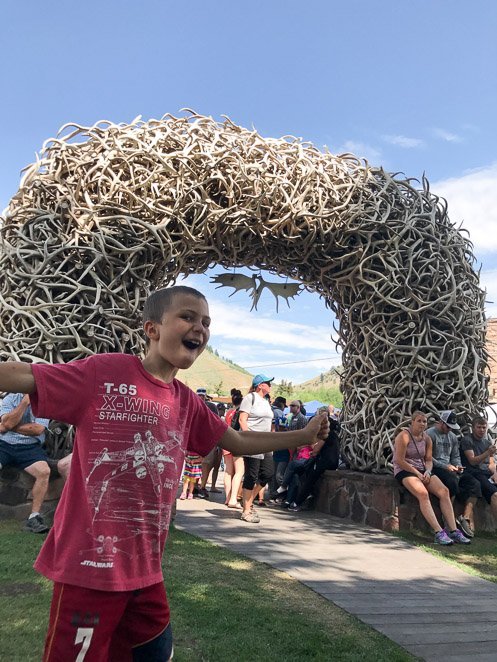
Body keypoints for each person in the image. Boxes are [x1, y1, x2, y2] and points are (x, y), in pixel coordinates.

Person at [0, 285, 326, 660]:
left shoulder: (187, 402)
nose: (200, 329)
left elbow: (234, 439)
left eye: (206, 322)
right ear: (151, 328)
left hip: (145, 572)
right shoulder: (103, 373)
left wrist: (302, 434)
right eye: (187, 317)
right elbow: (27, 376)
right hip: (88, 569)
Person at [393, 411, 470, 545]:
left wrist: (428, 472)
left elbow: (428, 460)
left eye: (424, 421)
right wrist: (417, 473)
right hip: (405, 470)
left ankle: (453, 530)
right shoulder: (404, 436)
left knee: (444, 491)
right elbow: (399, 460)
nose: (422, 424)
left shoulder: (426, 438)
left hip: (423, 470)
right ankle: (438, 532)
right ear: (412, 422)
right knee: (423, 494)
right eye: (419, 421)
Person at [0, 392, 51, 533]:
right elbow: (7, 423)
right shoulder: (10, 398)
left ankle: (33, 518)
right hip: (4, 444)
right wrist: (24, 403)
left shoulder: (43, 402)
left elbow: (37, 429)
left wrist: (10, 427)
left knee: (44, 471)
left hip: (29, 447)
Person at [426, 410, 482, 538]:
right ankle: (448, 521)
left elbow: (455, 455)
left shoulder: (452, 437)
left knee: (475, 485)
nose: (449, 429)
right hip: (436, 467)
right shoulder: (429, 434)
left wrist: (457, 466)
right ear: (441, 422)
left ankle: (465, 518)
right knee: (452, 482)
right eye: (448, 426)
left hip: (451, 468)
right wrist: (446, 466)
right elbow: (428, 458)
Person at [286, 406, 341, 512]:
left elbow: (316, 449)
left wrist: (313, 449)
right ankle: (293, 495)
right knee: (305, 470)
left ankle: (296, 501)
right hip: (332, 461)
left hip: (325, 462)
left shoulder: (326, 434)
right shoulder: (333, 433)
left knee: (308, 476)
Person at [239, 374, 275, 523]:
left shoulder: (266, 401)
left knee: (267, 473)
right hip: (253, 442)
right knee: (251, 475)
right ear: (260, 385)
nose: (270, 386)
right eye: (268, 383)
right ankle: (246, 510)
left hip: (266, 443)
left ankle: (248, 501)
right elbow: (242, 420)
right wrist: (249, 439)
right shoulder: (250, 398)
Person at [460, 415, 497, 531]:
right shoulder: (467, 440)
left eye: (484, 427)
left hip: (486, 473)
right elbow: (472, 461)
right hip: (474, 472)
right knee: (495, 495)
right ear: (473, 427)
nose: (482, 430)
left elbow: (491, 462)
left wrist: (495, 473)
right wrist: (488, 452)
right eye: (479, 427)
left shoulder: (486, 442)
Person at [196, 387, 222, 498]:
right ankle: (194, 486)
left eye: (202, 395)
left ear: (205, 396)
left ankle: (202, 486)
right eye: (199, 395)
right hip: (195, 438)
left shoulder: (211, 406)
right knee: (196, 463)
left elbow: (217, 421)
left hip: (208, 438)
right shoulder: (193, 404)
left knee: (206, 464)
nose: (201, 397)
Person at [223, 389, 244, 508]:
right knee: (239, 471)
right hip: (236, 442)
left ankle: (227, 497)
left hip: (226, 442)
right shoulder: (240, 412)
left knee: (228, 471)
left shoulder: (228, 412)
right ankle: (233, 498)